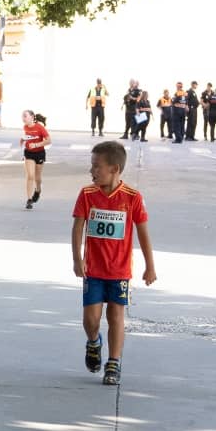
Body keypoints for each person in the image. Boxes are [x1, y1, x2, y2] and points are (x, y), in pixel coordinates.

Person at [71, 141, 156, 386]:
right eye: (92, 166)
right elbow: (78, 227)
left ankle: (114, 362)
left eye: (97, 166)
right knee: (91, 319)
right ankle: (93, 342)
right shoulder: (87, 194)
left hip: (119, 270)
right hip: (93, 269)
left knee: (116, 315)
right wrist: (77, 258)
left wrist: (150, 266)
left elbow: (143, 232)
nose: (92, 171)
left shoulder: (132, 197)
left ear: (114, 169)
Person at [21, 110, 51, 209]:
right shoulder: (25, 127)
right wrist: (22, 140)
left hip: (39, 153)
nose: (23, 118)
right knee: (30, 175)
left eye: (25, 116)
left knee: (37, 178)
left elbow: (49, 140)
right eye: (22, 116)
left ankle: (38, 190)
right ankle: (29, 199)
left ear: (32, 117)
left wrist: (36, 145)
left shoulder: (40, 127)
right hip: (29, 153)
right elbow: (26, 137)